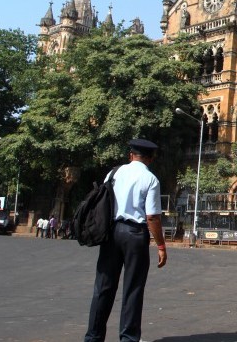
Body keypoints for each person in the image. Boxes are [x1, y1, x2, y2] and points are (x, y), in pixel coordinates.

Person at [85, 139, 168, 342]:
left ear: (131, 155)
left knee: (103, 287)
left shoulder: (113, 173)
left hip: (111, 232)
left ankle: (93, 337)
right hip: (135, 235)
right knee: (133, 288)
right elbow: (152, 217)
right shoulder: (150, 179)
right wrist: (161, 245)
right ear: (150, 159)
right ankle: (128, 338)